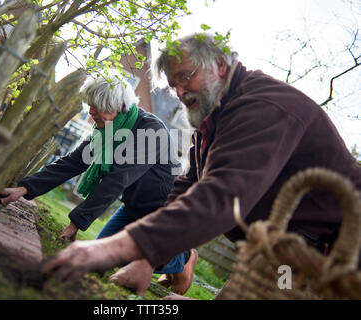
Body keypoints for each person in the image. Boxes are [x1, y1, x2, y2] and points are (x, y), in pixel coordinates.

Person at [40, 33, 361, 292]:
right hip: (284, 247)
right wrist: (147, 259)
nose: (179, 91)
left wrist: (116, 249)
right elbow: (189, 185)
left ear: (220, 65)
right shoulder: (213, 117)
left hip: (335, 250)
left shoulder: (263, 108)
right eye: (172, 85)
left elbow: (223, 195)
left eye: (185, 77)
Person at [0, 72, 198, 295]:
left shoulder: (151, 132)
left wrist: (75, 223)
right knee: (107, 256)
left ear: (120, 106)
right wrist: (25, 188)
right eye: (90, 105)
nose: (91, 112)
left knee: (128, 254)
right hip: (133, 207)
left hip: (163, 212)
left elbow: (117, 179)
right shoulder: (105, 130)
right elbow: (73, 162)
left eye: (97, 106)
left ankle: (185, 258)